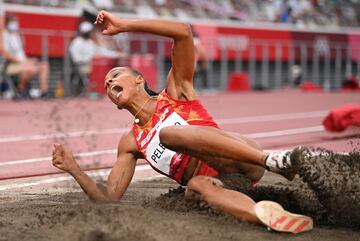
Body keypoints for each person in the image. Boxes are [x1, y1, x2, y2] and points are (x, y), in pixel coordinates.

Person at [52, 10, 313, 234]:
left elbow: (183, 33)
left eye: (116, 75)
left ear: (139, 80)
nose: (109, 82)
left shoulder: (176, 92)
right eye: (106, 83)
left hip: (243, 158)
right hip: (227, 184)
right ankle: (264, 216)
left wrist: (124, 25)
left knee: (168, 135)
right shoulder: (131, 143)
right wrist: (74, 168)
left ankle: (273, 161)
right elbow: (109, 197)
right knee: (195, 187)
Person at [2, 15, 51, 99]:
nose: (15, 24)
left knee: (44, 66)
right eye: (13, 22)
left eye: (16, 22)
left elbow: (21, 55)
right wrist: (21, 62)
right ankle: (20, 90)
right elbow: (6, 54)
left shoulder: (17, 36)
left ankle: (44, 92)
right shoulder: (4, 35)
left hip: (22, 62)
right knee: (29, 68)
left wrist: (29, 60)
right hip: (10, 65)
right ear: (7, 23)